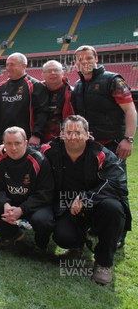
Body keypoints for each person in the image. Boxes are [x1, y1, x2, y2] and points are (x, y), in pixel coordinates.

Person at [42, 115, 129, 285]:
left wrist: (86, 198)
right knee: (62, 237)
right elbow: (27, 151)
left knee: (114, 208)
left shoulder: (101, 154)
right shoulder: (50, 149)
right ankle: (78, 244)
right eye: (69, 132)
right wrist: (3, 148)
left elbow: (118, 184)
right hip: (67, 206)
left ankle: (104, 263)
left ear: (88, 134)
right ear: (61, 134)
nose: (73, 137)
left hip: (96, 206)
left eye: (78, 132)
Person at [72, 45, 135, 247]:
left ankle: (119, 234)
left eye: (88, 57)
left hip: (114, 144)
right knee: (93, 186)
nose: (84, 62)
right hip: (91, 147)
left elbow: (131, 111)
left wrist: (129, 138)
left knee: (116, 188)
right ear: (76, 63)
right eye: (80, 59)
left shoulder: (113, 80)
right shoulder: (79, 86)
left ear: (96, 58)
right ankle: (95, 225)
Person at [0, 127, 54, 250]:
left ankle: (40, 243)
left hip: (33, 205)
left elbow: (45, 193)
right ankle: (12, 234)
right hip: (10, 203)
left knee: (43, 221)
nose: (13, 148)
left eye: (17, 143)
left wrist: (22, 209)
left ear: (26, 143)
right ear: (3, 144)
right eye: (9, 143)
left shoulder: (39, 160)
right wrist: (5, 204)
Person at [0, 53, 48, 146]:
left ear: (24, 66)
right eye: (7, 64)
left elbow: (42, 113)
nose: (8, 67)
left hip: (27, 139)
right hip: (3, 140)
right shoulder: (0, 88)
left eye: (12, 64)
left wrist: (37, 134)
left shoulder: (35, 85)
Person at [41, 60, 74, 143]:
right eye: (49, 71)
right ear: (43, 75)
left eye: (56, 70)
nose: (53, 73)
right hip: (38, 139)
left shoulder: (73, 93)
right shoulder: (35, 91)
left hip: (64, 140)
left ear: (62, 73)